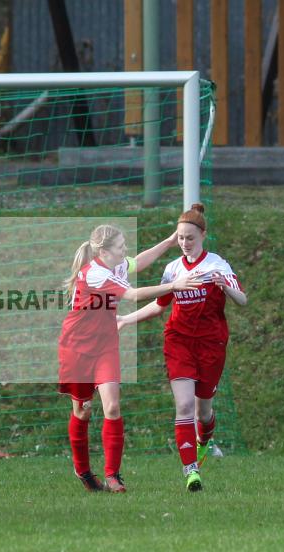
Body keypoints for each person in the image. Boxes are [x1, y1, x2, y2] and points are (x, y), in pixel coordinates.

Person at [59, 225, 201, 492]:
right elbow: (133, 295)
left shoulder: (115, 264)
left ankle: (113, 476)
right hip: (77, 348)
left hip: (105, 346)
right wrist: (173, 285)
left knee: (112, 407)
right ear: (103, 252)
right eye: (120, 247)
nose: (125, 251)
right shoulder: (95, 273)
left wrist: (169, 241)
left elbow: (139, 261)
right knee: (83, 411)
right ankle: (83, 471)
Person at [117, 203, 247, 492]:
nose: (185, 243)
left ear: (203, 236)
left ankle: (205, 440)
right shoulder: (172, 269)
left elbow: (243, 300)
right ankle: (191, 471)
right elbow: (159, 306)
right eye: (180, 238)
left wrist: (225, 287)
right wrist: (126, 319)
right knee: (184, 405)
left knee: (203, 412)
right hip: (179, 341)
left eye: (190, 238)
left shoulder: (217, 265)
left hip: (211, 344)